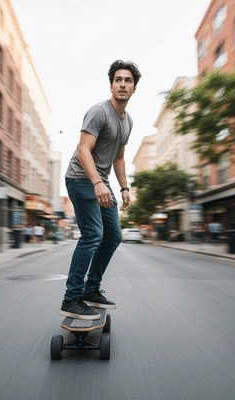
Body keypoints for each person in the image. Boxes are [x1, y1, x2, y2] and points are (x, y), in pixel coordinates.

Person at [60, 60, 141, 320]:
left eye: (128, 80)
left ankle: (91, 289)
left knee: (113, 235)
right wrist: (97, 183)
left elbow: (118, 158)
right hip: (80, 177)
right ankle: (71, 297)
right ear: (111, 85)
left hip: (100, 180)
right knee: (93, 234)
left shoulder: (127, 122)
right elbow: (84, 150)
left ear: (134, 89)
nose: (122, 84)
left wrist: (125, 188)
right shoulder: (99, 112)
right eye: (118, 79)